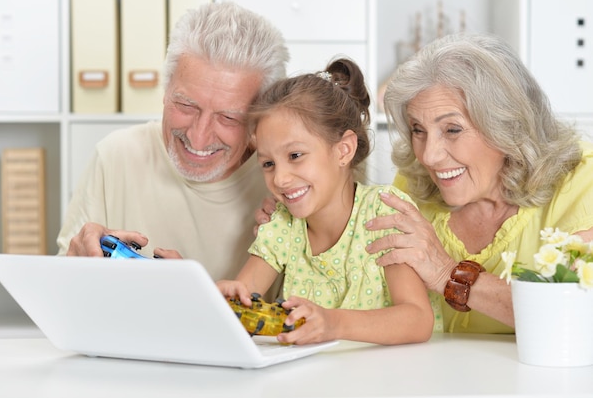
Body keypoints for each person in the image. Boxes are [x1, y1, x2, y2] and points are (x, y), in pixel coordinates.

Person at [362, 32, 593, 333]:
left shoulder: (580, 182)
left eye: (452, 129)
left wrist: (448, 273)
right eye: (418, 129)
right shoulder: (413, 181)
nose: (429, 156)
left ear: (507, 126)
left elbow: (577, 319)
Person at [57, 2, 290, 283]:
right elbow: (61, 299)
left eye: (228, 118)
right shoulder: (115, 156)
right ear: (165, 91)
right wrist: (77, 264)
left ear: (259, 120)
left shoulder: (286, 182)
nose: (198, 136)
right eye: (186, 105)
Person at [217, 58, 434, 346]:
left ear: (343, 150)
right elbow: (238, 308)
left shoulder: (384, 213)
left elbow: (417, 320)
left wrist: (334, 323)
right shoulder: (283, 224)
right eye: (268, 163)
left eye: (295, 156)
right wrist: (215, 298)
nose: (280, 178)